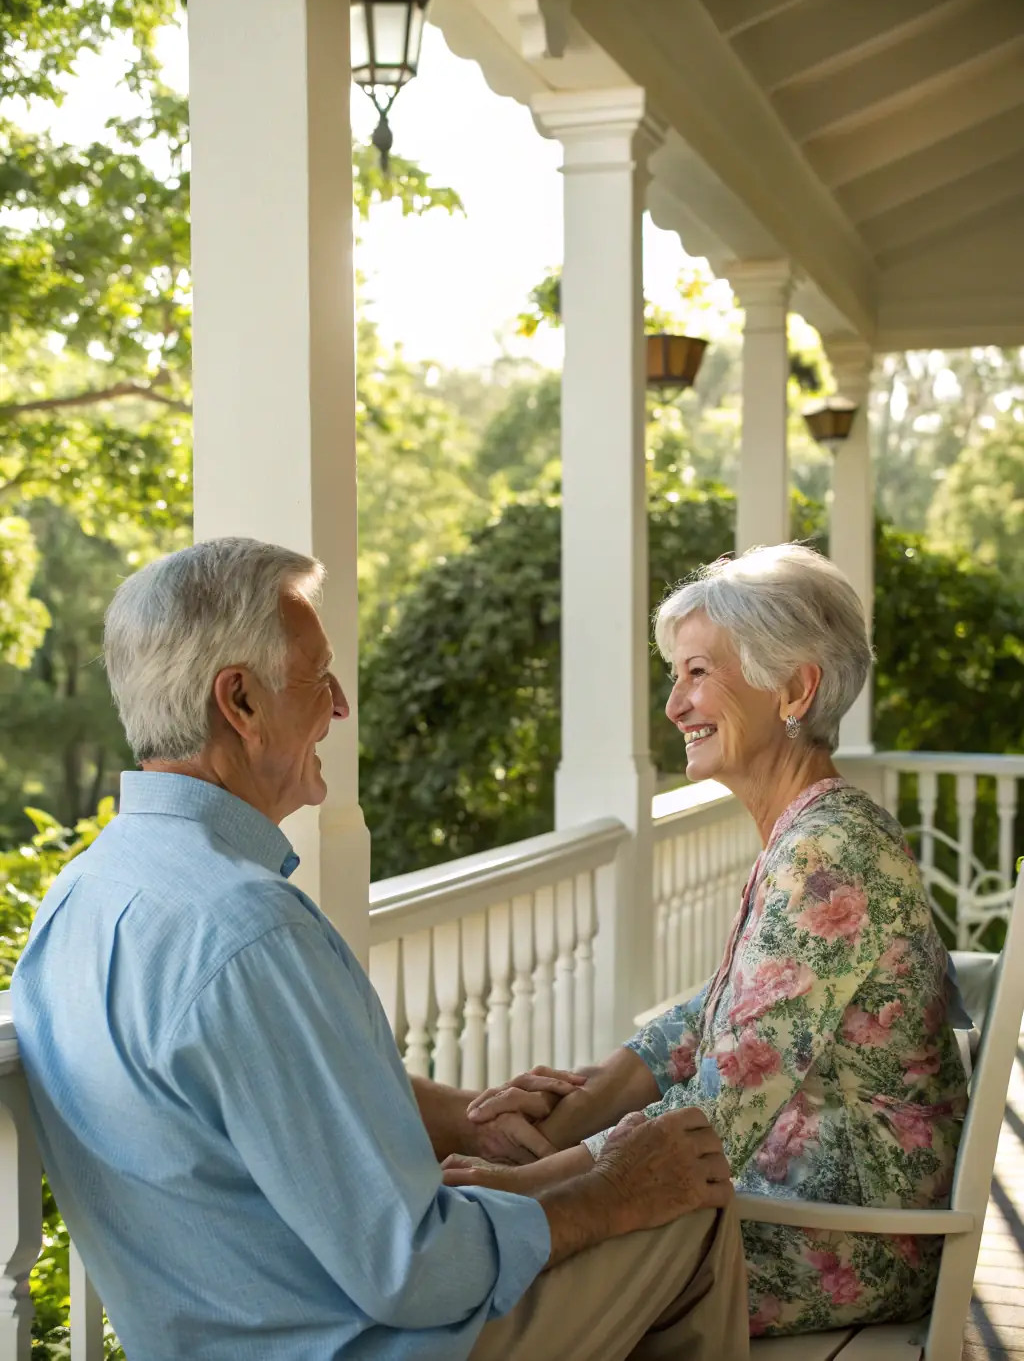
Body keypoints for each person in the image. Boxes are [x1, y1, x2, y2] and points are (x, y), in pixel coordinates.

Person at [11, 537, 749, 1361]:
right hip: (364, 1344)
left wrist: (471, 1116)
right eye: (317, 676)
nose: (339, 706)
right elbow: (416, 1267)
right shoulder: (249, 929)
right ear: (241, 702)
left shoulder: (80, 896)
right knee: (689, 1195)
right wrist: (608, 1194)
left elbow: (274, 1093)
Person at [454, 543, 970, 1339]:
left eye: (698, 673)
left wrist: (528, 1179)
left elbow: (720, 1110)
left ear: (795, 687)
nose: (674, 706)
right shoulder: (811, 833)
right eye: (676, 676)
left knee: (502, 1270)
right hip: (797, 1197)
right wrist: (572, 1106)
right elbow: (703, 1024)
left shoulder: (828, 853)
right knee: (510, 1242)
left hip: (845, 1232)